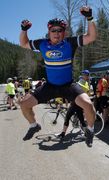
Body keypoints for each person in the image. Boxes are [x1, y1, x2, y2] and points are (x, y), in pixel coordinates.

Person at [19, 6, 97, 147]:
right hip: (50, 86)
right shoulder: (42, 44)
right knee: (24, 104)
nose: (56, 33)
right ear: (49, 32)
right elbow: (23, 43)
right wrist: (24, 30)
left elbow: (91, 37)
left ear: (64, 32)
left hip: (68, 86)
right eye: (53, 30)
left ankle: (90, 130)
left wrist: (90, 18)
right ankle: (33, 125)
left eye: (60, 30)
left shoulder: (70, 42)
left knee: (89, 106)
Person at [57, 70, 90, 140]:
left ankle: (63, 134)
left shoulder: (84, 83)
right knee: (69, 117)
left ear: (87, 76)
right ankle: (63, 133)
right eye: (83, 74)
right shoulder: (82, 82)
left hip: (77, 103)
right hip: (75, 102)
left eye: (85, 74)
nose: (83, 75)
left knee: (76, 118)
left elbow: (84, 89)